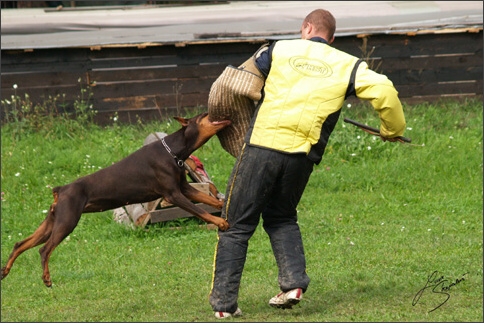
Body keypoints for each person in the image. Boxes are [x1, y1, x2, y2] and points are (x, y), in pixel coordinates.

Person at [209, 8, 406, 319]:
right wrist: (390, 130)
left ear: (306, 28)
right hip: (301, 156)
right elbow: (384, 89)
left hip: (261, 147)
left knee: (235, 225)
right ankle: (293, 285)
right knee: (282, 217)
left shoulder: (278, 49)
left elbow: (238, 81)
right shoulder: (349, 65)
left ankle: (224, 305)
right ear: (331, 37)